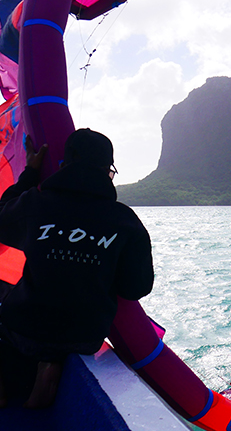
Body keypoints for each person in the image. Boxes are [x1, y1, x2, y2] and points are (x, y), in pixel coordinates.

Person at [0, 129, 154, 408]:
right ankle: (51, 366)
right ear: (109, 170)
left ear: (63, 165)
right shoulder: (125, 221)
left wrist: (30, 174)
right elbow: (137, 287)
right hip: (84, 336)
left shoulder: (35, 203)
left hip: (26, 328)